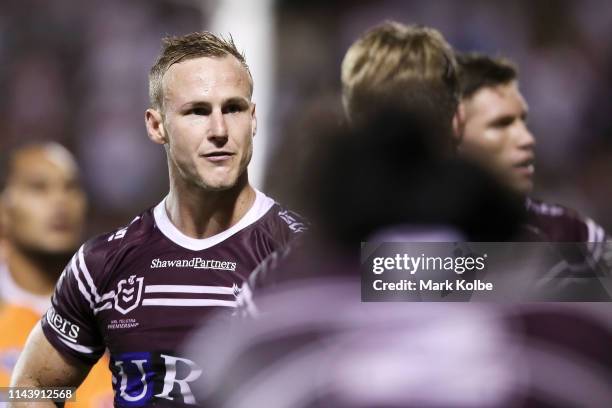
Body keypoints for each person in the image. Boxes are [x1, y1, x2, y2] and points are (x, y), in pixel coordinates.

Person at [10, 32, 306, 407]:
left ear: (253, 119)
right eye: (197, 111)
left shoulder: (302, 252)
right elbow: (32, 386)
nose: (219, 130)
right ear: (156, 125)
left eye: (233, 108)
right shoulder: (101, 263)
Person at [0, 143, 113, 407]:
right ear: (3, 209)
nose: (60, 201)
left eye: (71, 188)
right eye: (38, 188)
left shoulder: (121, 308)